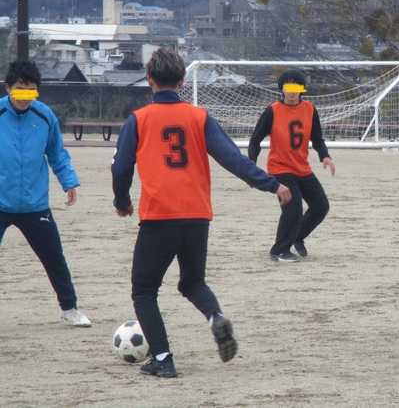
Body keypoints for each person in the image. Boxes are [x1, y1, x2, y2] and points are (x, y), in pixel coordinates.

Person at [111, 48, 292, 378]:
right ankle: (215, 317)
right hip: (197, 216)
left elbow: (122, 167)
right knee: (192, 282)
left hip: (159, 217)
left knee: (144, 291)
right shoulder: (199, 117)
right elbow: (233, 159)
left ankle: (163, 359)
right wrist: (271, 184)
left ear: (149, 79)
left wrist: (121, 201)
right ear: (182, 81)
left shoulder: (138, 119)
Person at [1, 59, 91, 327]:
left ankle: (69, 308)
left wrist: (69, 181)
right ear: (8, 88)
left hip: (34, 204)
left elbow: (56, 153)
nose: (25, 97)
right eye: (20, 90)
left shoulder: (44, 116)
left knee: (54, 258)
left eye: (31, 91)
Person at [248, 69, 334, 262]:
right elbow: (255, 141)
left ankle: (298, 236)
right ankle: (279, 250)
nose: (291, 91)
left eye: (295, 87)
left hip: (302, 169)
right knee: (293, 209)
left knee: (321, 206)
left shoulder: (310, 109)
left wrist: (325, 156)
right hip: (280, 169)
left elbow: (318, 139)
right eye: (287, 87)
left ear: (301, 89)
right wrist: (250, 169)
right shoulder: (272, 111)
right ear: (282, 89)